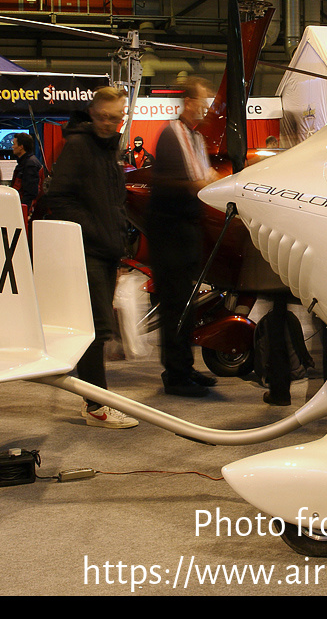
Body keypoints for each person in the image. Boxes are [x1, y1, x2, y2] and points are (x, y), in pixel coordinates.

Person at [43, 87, 138, 429]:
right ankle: (96, 406)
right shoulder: (80, 146)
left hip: (106, 251)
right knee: (96, 331)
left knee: (98, 329)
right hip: (90, 252)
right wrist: (94, 231)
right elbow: (59, 197)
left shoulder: (107, 150)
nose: (108, 123)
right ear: (93, 114)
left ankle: (96, 402)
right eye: (102, 117)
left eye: (114, 118)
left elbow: (112, 200)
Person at [148, 77, 219, 398]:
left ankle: (185, 367)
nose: (205, 109)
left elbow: (203, 178)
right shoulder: (172, 133)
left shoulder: (196, 138)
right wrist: (201, 185)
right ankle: (175, 375)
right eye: (202, 103)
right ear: (188, 102)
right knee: (175, 305)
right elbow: (184, 181)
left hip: (187, 229)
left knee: (188, 305)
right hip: (170, 232)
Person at [9, 132, 43, 207]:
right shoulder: (26, 162)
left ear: (21, 147)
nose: (12, 147)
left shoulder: (30, 164)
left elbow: (30, 193)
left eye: (14, 144)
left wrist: (23, 210)